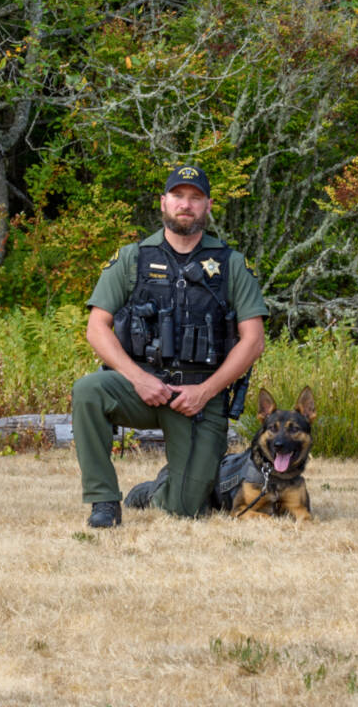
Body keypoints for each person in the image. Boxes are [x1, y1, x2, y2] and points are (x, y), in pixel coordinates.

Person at [71, 164, 267, 527]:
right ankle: (104, 502)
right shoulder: (132, 258)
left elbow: (253, 340)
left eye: (195, 198)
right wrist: (138, 378)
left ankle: (154, 490)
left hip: (199, 397)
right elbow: (97, 328)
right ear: (163, 202)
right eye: (178, 196)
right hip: (142, 387)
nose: (185, 205)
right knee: (88, 391)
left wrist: (206, 391)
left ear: (207, 206)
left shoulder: (232, 264)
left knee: (185, 509)